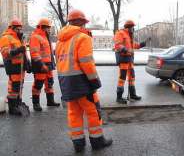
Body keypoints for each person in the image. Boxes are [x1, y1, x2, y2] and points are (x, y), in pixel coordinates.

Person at [56, 9, 112, 151]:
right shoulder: (82, 37)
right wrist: (95, 81)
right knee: (93, 111)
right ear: (80, 23)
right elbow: (87, 63)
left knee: (74, 114)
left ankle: (78, 145)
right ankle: (97, 141)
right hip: (82, 83)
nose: (85, 26)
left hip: (66, 83)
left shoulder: (60, 41)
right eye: (84, 23)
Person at [114, 19, 151, 104]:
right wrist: (127, 50)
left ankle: (132, 95)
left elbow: (135, 46)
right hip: (123, 59)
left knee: (131, 77)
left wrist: (144, 43)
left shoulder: (130, 36)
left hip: (130, 60)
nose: (133, 29)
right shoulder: (120, 33)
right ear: (129, 27)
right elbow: (117, 46)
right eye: (132, 27)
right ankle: (119, 97)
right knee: (122, 78)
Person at [0, 19, 31, 114]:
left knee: (19, 85)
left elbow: (24, 53)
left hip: (20, 65)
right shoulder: (6, 38)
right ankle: (12, 107)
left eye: (20, 29)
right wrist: (17, 50)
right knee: (14, 86)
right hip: (12, 65)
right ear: (12, 28)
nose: (19, 31)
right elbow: (5, 53)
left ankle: (17, 102)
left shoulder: (20, 39)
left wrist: (28, 62)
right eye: (17, 29)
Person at [29, 18, 60, 111]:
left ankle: (50, 101)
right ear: (43, 27)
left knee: (49, 82)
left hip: (49, 64)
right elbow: (34, 53)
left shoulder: (46, 37)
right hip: (41, 65)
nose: (49, 29)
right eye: (48, 27)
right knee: (38, 84)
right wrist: (42, 65)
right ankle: (36, 103)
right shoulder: (36, 37)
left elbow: (48, 52)